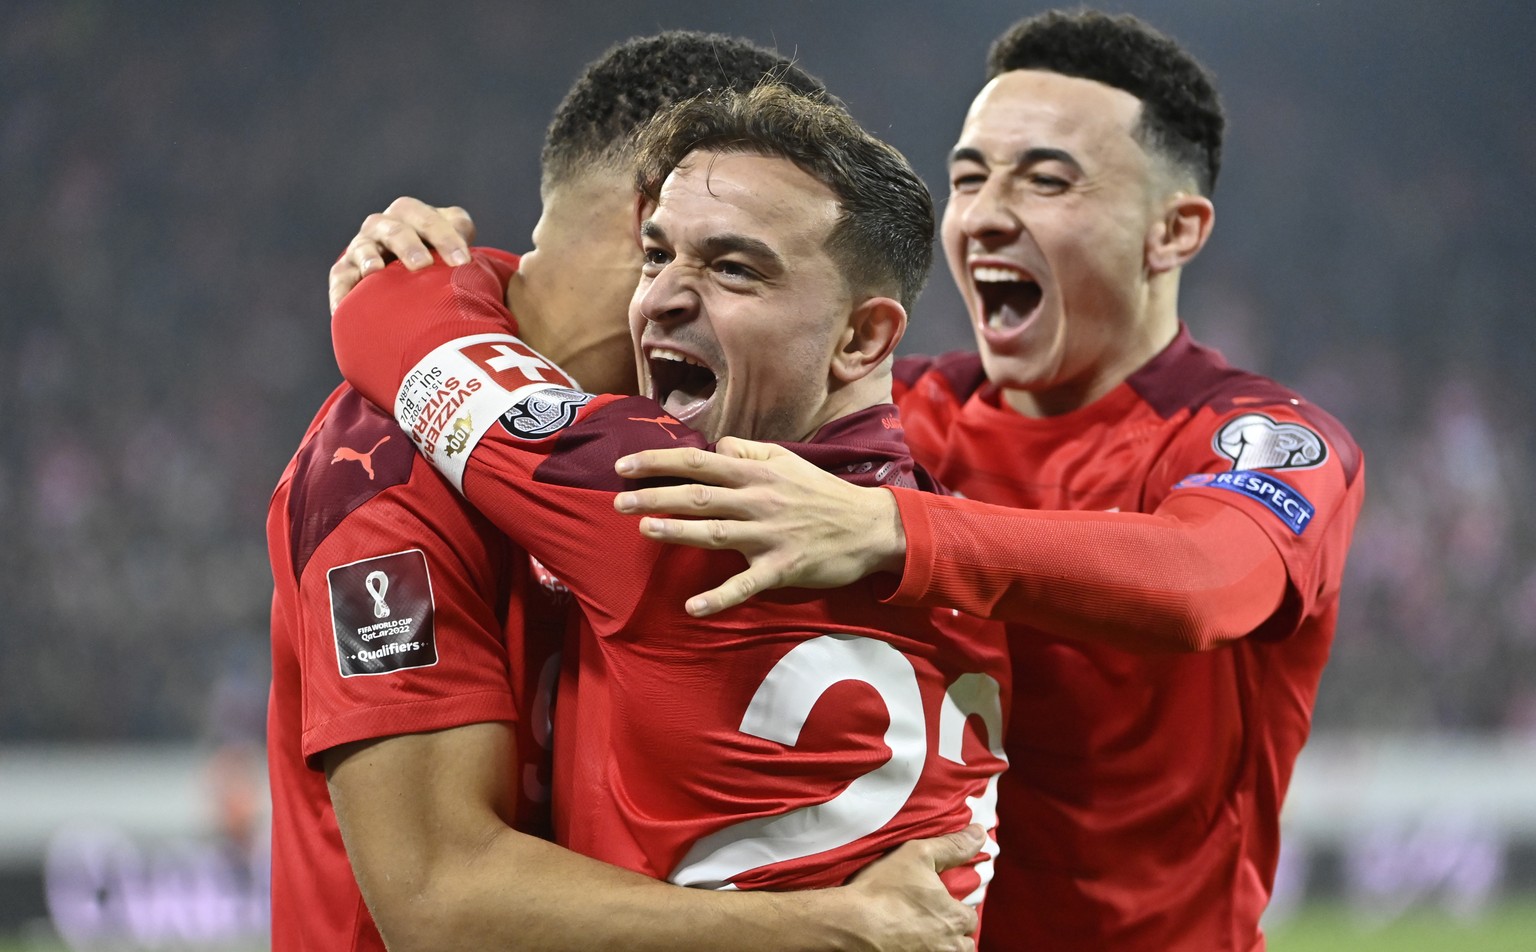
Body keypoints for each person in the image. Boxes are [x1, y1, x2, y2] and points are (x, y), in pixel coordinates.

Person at [598, 11, 1366, 951]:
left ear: (1174, 229)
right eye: (969, 177)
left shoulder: (1259, 438)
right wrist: (441, 271)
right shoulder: (899, 413)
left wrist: (895, 531)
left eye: (1047, 180)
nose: (988, 212)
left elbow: (1206, 579)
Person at [270, 31, 980, 952]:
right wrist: (829, 926)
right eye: (736, 257)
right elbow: (439, 896)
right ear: (660, 214)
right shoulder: (383, 473)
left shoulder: (653, 439)